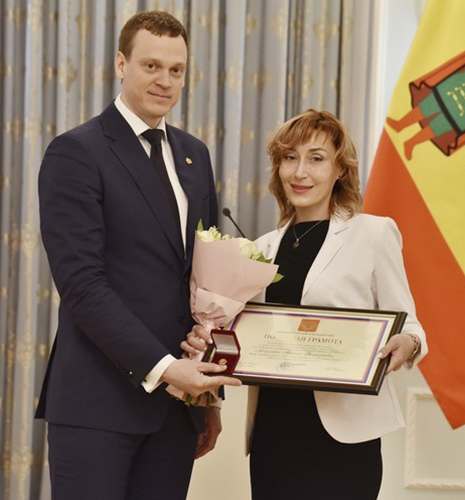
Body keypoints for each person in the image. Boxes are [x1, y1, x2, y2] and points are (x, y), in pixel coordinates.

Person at [36, 10, 240, 500]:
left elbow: (204, 281)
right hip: (97, 407)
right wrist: (167, 368)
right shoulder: (76, 152)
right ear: (121, 64)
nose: (165, 81)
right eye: (151, 66)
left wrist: (208, 398)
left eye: (176, 70)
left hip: (178, 410)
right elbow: (82, 287)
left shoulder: (195, 155)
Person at [184, 109, 427, 500]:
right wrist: (208, 365)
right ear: (278, 168)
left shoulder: (374, 234)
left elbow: (410, 325)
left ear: (340, 170)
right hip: (273, 434)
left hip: (345, 439)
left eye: (316, 158)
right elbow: (232, 339)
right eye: (290, 158)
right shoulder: (259, 250)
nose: (300, 172)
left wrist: (408, 343)